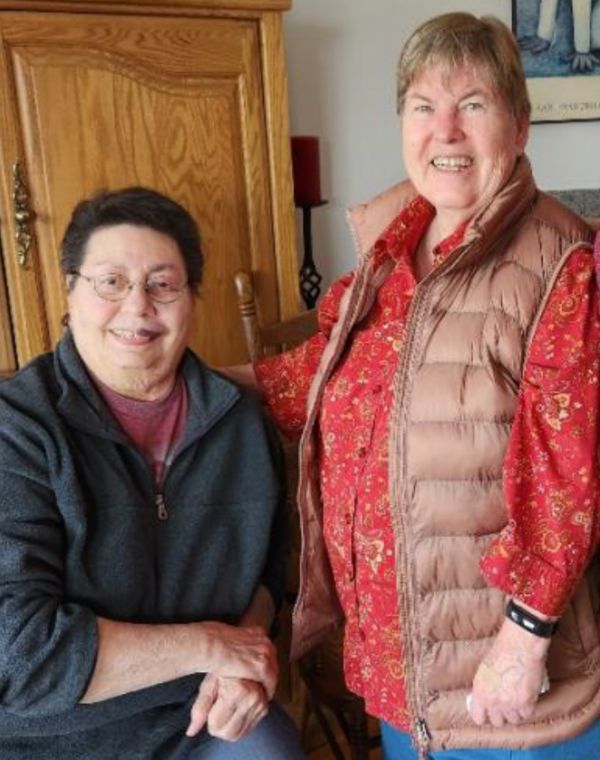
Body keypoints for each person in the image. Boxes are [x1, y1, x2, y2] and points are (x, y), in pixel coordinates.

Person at [226, 12, 600, 760]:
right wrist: (167, 380)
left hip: (505, 684)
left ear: (520, 126)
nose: (445, 131)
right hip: (402, 667)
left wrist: (523, 641)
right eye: (424, 106)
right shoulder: (392, 252)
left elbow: (570, 473)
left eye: (473, 104)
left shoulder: (565, 265)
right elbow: (312, 378)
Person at [0, 187, 307, 760]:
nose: (138, 305)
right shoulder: (16, 428)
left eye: (163, 284)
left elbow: (267, 571)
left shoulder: (240, 421)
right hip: (45, 738)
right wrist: (213, 647)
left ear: (192, 298)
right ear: (70, 291)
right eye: (111, 282)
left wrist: (242, 661)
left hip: (197, 719)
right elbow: (19, 657)